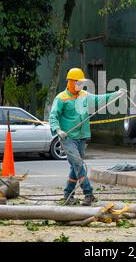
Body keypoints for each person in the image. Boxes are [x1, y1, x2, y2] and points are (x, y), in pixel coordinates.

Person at [49, 68, 126, 206]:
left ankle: (68, 195)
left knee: (75, 167)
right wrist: (58, 130)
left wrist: (116, 95)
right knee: (78, 164)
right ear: (71, 82)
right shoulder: (61, 98)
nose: (81, 85)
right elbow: (53, 116)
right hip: (67, 138)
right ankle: (88, 193)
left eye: (82, 83)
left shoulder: (84, 95)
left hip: (82, 137)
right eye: (78, 83)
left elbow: (99, 99)